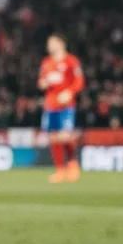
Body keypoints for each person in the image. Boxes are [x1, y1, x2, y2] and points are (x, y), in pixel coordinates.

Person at [38, 32, 85, 183]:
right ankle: (59, 170)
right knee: (53, 137)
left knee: (65, 136)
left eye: (52, 42)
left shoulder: (71, 61)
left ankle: (72, 163)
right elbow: (40, 83)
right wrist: (45, 83)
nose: (49, 46)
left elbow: (79, 81)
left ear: (61, 44)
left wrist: (69, 92)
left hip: (66, 105)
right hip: (50, 105)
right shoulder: (46, 62)